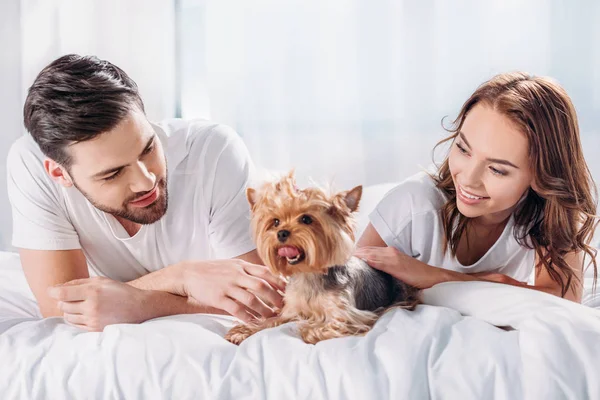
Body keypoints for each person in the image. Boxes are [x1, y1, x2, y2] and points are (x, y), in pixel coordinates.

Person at [7, 54, 285, 331]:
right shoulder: (31, 163)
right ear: (59, 173)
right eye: (113, 173)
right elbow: (61, 309)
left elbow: (265, 299)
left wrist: (142, 303)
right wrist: (181, 277)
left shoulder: (213, 152)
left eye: (148, 148)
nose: (146, 181)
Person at [355, 72, 598, 303]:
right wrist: (492, 283)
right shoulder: (412, 204)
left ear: (542, 175)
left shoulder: (545, 211)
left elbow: (564, 298)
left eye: (497, 169)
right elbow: (342, 288)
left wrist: (434, 276)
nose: (468, 179)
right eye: (462, 148)